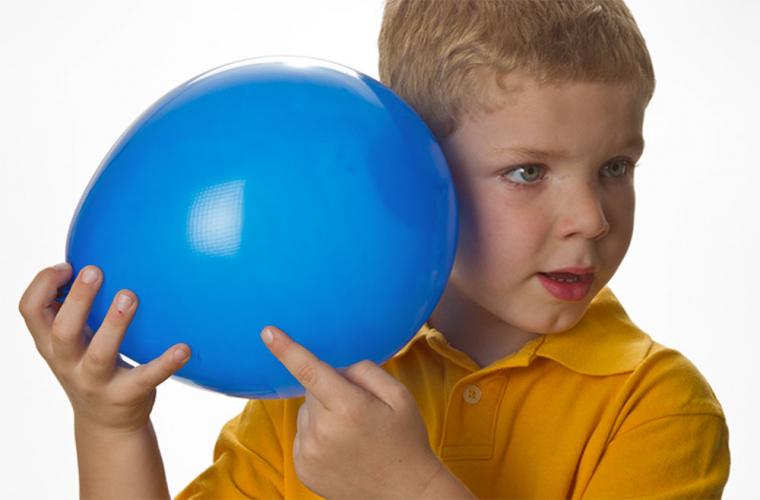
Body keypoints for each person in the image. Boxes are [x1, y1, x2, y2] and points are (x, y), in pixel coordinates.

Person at [18, 0, 730, 498]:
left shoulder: (657, 406)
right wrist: (110, 427)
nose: (592, 219)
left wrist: (408, 488)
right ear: (412, 163)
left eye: (615, 167)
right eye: (528, 172)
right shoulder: (319, 380)